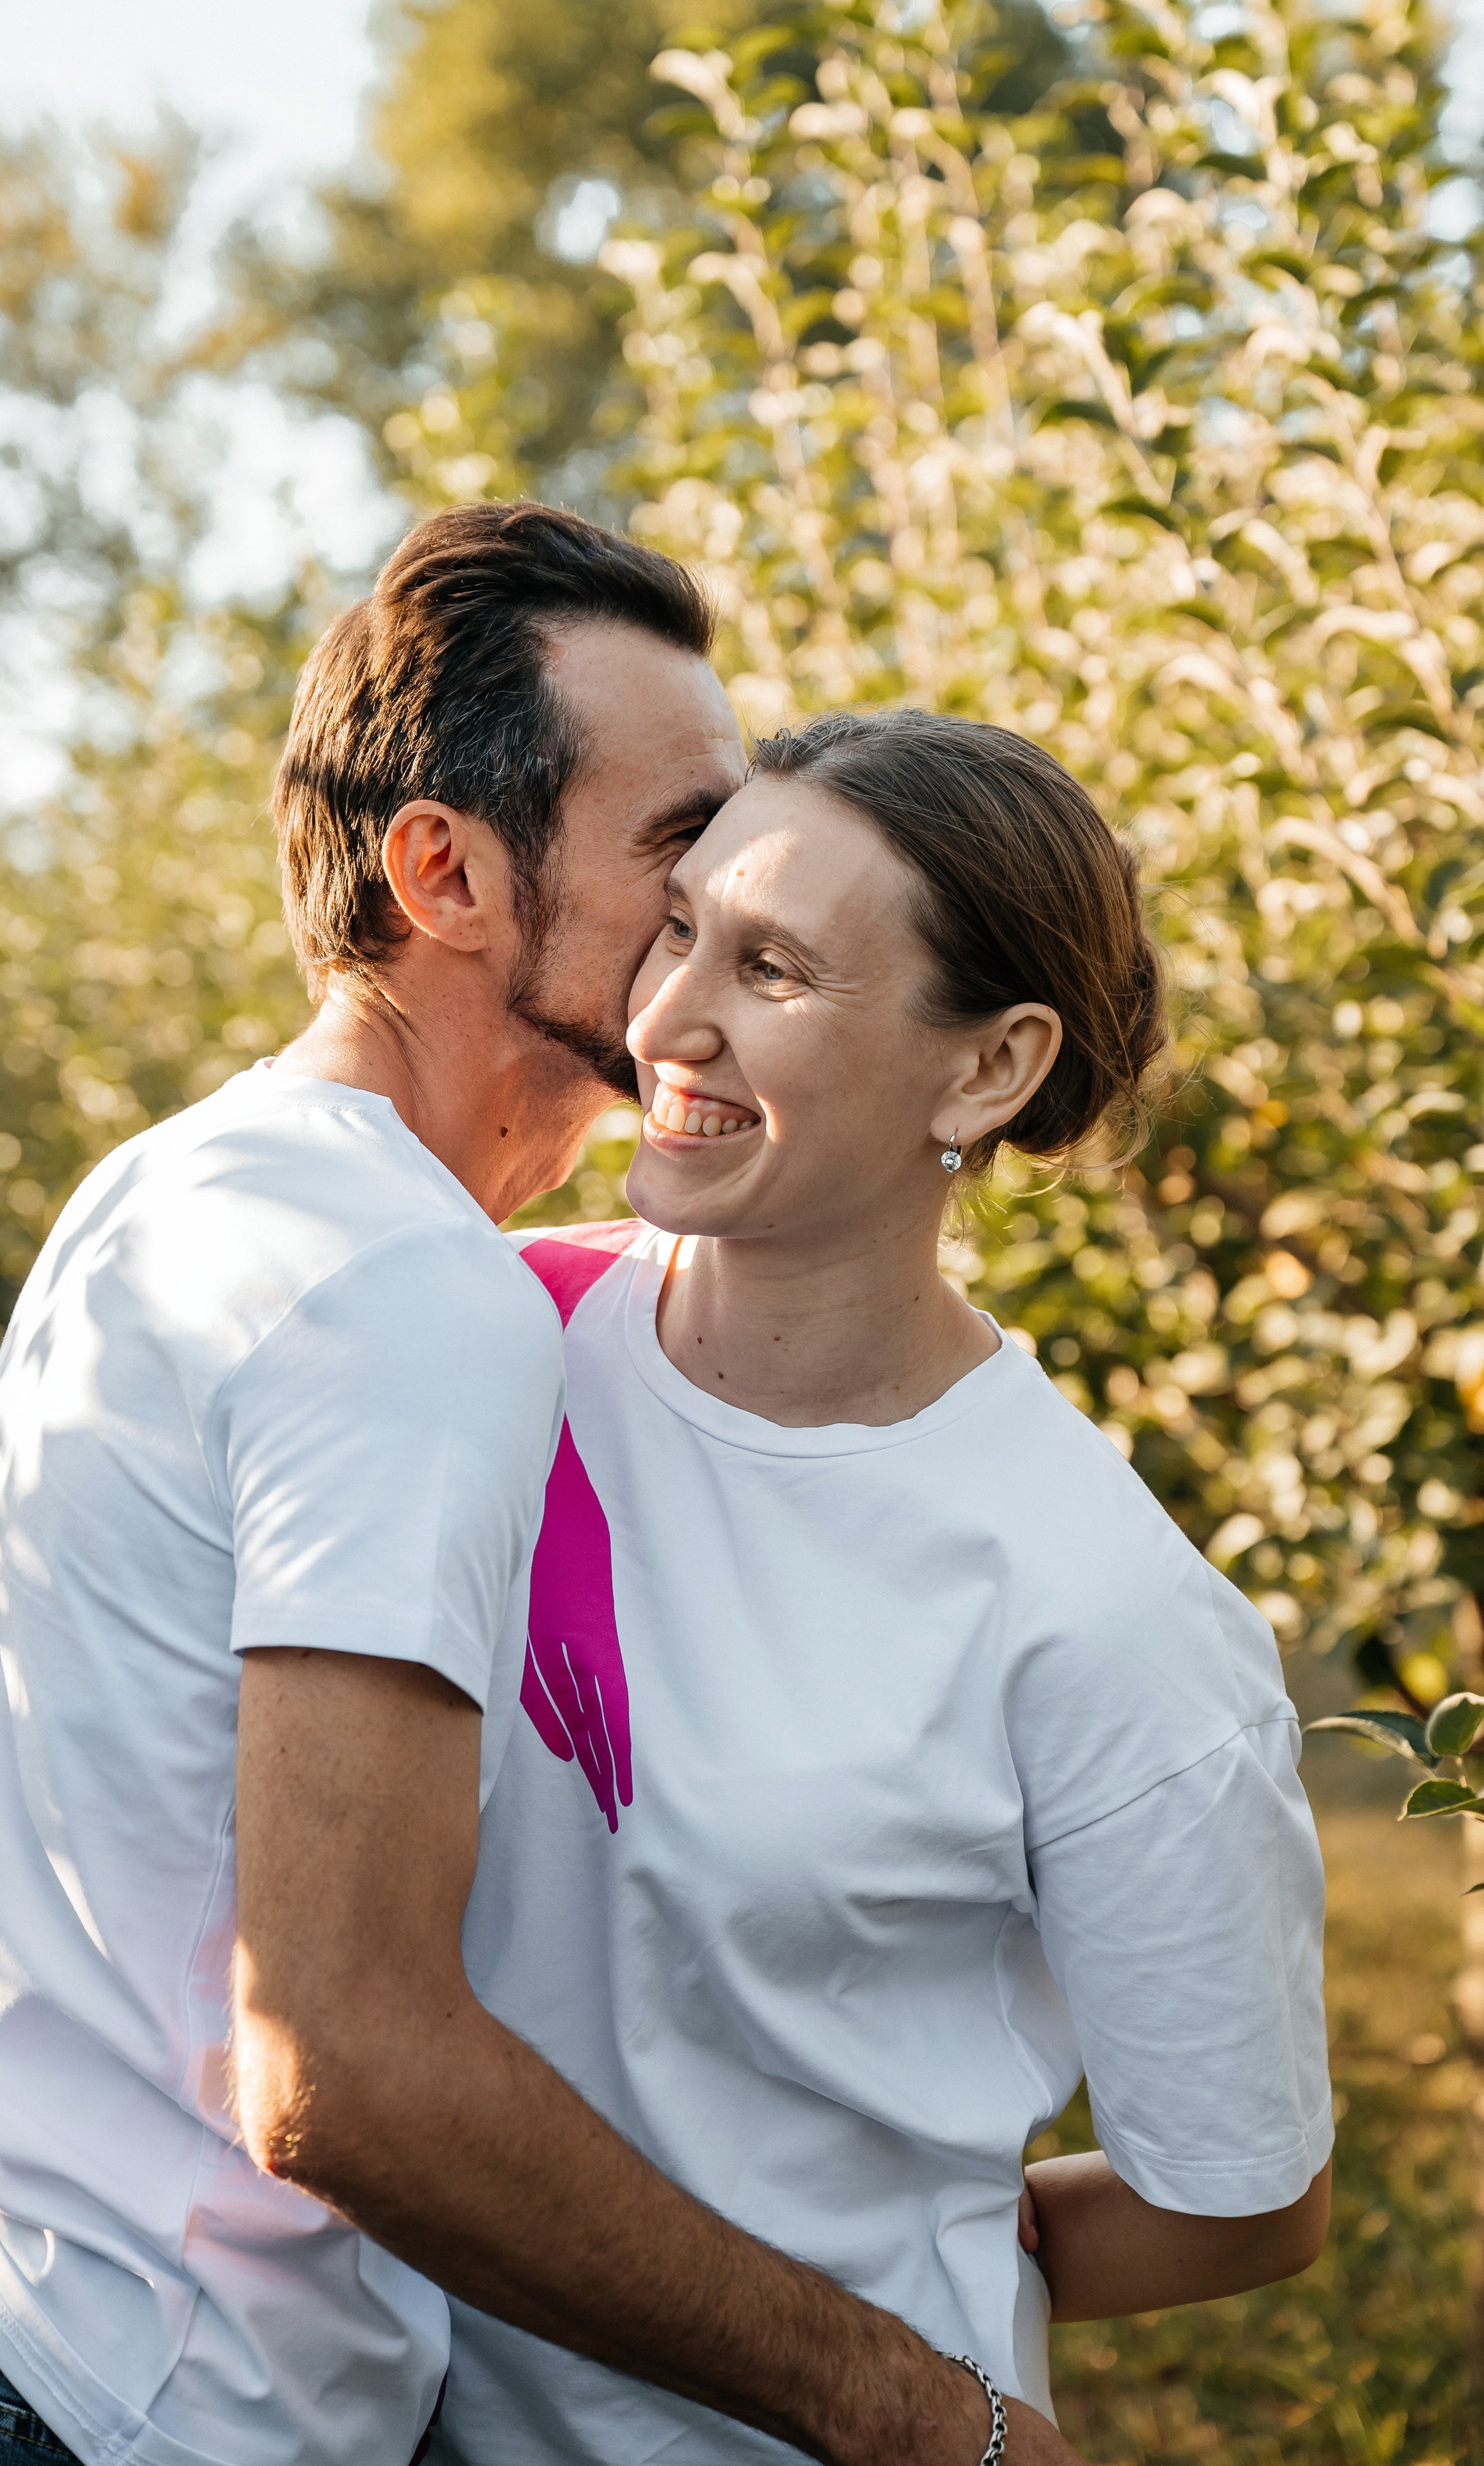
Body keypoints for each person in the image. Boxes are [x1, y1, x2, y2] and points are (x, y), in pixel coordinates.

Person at [0, 512, 1076, 2466]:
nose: (731, 896)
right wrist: (910, 2408)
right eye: (683, 843)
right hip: (121, 2399)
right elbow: (351, 2073)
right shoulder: (405, 1290)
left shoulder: (189, 1178)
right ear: (445, 869)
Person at [438, 709, 1335, 2465]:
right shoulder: (477, 1337)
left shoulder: (1103, 1611)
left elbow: (1242, 2199)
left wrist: (857, 2273)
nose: (666, 1017)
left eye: (771, 966)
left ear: (987, 1069)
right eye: (681, 924)